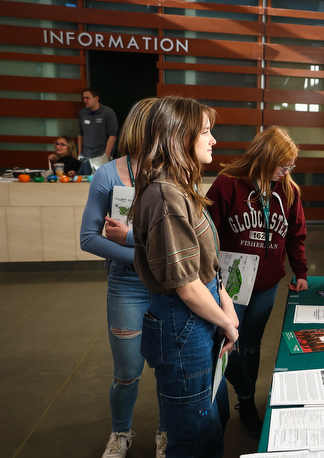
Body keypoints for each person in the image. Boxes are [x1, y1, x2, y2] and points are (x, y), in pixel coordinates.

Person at [131, 96, 239, 458]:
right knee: (196, 438)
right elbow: (187, 286)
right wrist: (228, 323)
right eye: (206, 132)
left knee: (213, 417)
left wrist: (224, 301)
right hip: (184, 324)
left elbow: (205, 266)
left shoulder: (180, 188)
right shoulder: (164, 196)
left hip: (200, 315)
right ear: (179, 138)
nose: (213, 141)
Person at [205, 126, 308, 438]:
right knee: (225, 343)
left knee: (250, 344)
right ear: (264, 157)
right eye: (282, 165)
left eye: (290, 166)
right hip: (230, 283)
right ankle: (226, 404)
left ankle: (247, 403)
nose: (286, 171)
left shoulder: (288, 190)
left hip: (266, 284)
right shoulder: (227, 185)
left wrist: (300, 272)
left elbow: (296, 235)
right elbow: (206, 233)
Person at [79, 98, 166, 458]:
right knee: (128, 371)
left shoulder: (173, 173)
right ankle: (120, 433)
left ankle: (167, 431)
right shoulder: (108, 175)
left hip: (169, 286)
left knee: (169, 369)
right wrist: (142, 257)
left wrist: (146, 253)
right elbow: (89, 238)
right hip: (128, 287)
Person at [78, 87, 119, 173]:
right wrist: (79, 153)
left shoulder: (108, 112)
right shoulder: (82, 112)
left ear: (96, 98)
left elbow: (112, 136)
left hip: (101, 154)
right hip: (86, 156)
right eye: (83, 98)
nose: (84, 100)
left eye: (87, 98)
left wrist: (106, 156)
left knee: (100, 182)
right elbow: (80, 134)